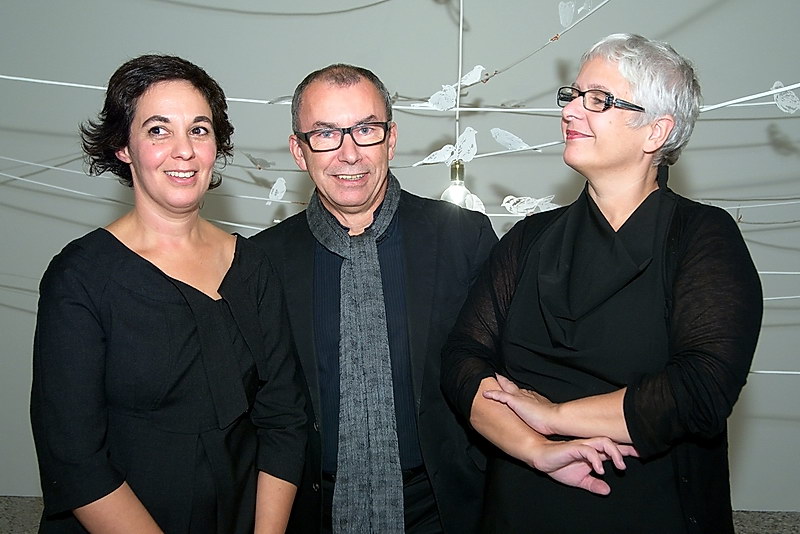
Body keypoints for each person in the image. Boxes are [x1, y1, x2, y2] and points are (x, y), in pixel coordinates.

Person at [251, 64, 634, 534]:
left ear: (391, 139)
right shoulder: (261, 261)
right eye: (326, 134)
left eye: (366, 130)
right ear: (299, 150)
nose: (349, 153)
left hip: (446, 509)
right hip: (310, 511)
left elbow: (512, 368)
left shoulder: (462, 237)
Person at [441, 33, 764, 534]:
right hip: (519, 507)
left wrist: (554, 416)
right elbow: (462, 359)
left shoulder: (702, 236)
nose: (570, 110)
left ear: (656, 131)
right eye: (572, 95)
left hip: (649, 511)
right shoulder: (528, 239)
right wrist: (535, 447)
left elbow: (701, 390)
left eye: (598, 99)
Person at [30, 54, 306, 533]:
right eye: (158, 130)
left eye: (199, 129)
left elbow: (284, 419)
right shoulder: (79, 278)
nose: (184, 150)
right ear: (123, 146)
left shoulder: (253, 266)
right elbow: (76, 460)